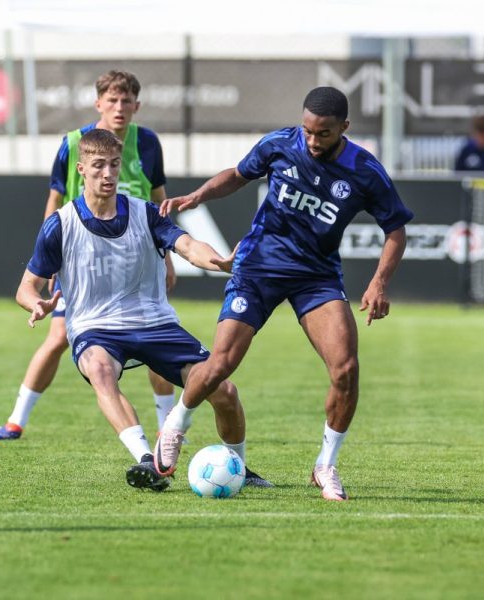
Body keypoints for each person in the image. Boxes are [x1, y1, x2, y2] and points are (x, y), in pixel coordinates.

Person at [154, 87, 413, 501]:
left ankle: (326, 465)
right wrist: (198, 195)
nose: (312, 141)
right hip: (258, 267)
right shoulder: (280, 144)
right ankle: (176, 426)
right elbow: (238, 175)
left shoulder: (365, 170)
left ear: (344, 128)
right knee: (220, 364)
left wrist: (379, 281)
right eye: (308, 130)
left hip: (317, 276)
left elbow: (396, 229)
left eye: (323, 134)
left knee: (345, 369)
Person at [17, 128, 270, 490]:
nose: (108, 174)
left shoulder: (145, 213)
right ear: (81, 170)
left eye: (114, 165)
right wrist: (36, 303)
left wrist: (218, 262)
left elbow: (187, 246)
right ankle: (146, 459)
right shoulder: (60, 224)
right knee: (100, 371)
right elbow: (26, 286)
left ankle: (239, 469)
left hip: (155, 323)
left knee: (225, 393)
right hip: (95, 326)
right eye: (99, 166)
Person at [0, 70, 179, 441]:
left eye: (126, 101)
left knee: (160, 336)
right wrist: (50, 256)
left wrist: (168, 256)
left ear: (136, 105)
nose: (119, 107)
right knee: (59, 336)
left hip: (137, 258)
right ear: (99, 103)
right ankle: (17, 418)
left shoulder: (148, 143)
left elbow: (158, 200)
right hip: (83, 257)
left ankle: (166, 429)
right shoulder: (75, 143)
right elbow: (55, 199)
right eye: (112, 100)